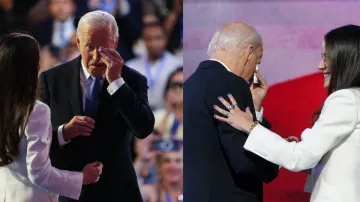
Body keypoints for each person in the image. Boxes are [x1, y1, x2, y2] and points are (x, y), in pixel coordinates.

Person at [213, 24, 360, 202]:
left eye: (325, 57)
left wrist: (250, 125)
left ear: (345, 59)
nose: (320, 65)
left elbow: (299, 158)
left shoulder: (345, 99)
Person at [39, 10, 155, 202]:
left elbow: (143, 128)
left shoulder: (133, 80)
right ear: (77, 42)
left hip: (118, 191)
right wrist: (64, 132)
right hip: (69, 192)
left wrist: (117, 83)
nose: (96, 57)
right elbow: (35, 140)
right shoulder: (51, 80)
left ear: (116, 43)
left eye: (103, 49)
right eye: (89, 47)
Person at [0, 33, 102, 202]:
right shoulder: (36, 110)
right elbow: (38, 173)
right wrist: (81, 178)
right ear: (32, 67)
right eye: (39, 56)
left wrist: (63, 133)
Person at [183, 22, 279, 202]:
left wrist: (255, 108)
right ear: (249, 52)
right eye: (257, 64)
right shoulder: (232, 83)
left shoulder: (189, 84)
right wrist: (277, 160)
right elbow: (243, 161)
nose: (254, 72)